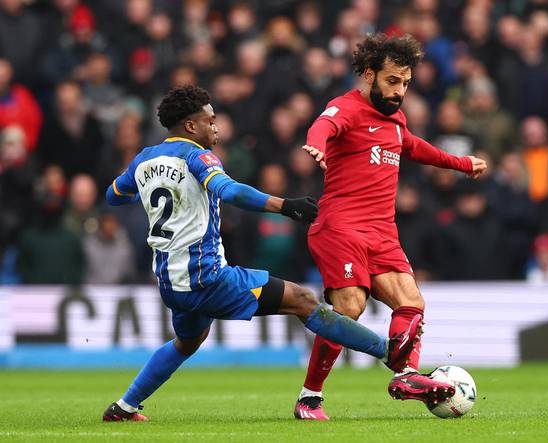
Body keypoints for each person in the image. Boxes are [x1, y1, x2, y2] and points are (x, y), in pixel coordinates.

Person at [101, 85, 437, 422]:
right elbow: (229, 190)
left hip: (171, 282)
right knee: (303, 300)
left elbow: (114, 195)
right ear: (191, 126)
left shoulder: (144, 158)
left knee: (187, 342)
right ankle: (390, 352)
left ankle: (124, 407)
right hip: (208, 277)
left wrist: (150, 195)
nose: (216, 128)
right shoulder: (197, 157)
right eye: (211, 121)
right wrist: (284, 206)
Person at [295, 33, 487, 420]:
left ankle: (406, 376)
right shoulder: (345, 108)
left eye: (405, 83)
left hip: (382, 232)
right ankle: (310, 397)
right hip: (340, 227)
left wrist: (461, 164)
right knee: (349, 306)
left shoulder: (395, 121)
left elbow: (415, 147)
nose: (400, 91)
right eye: (392, 81)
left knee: (412, 303)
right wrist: (315, 143)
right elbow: (323, 125)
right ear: (369, 74)